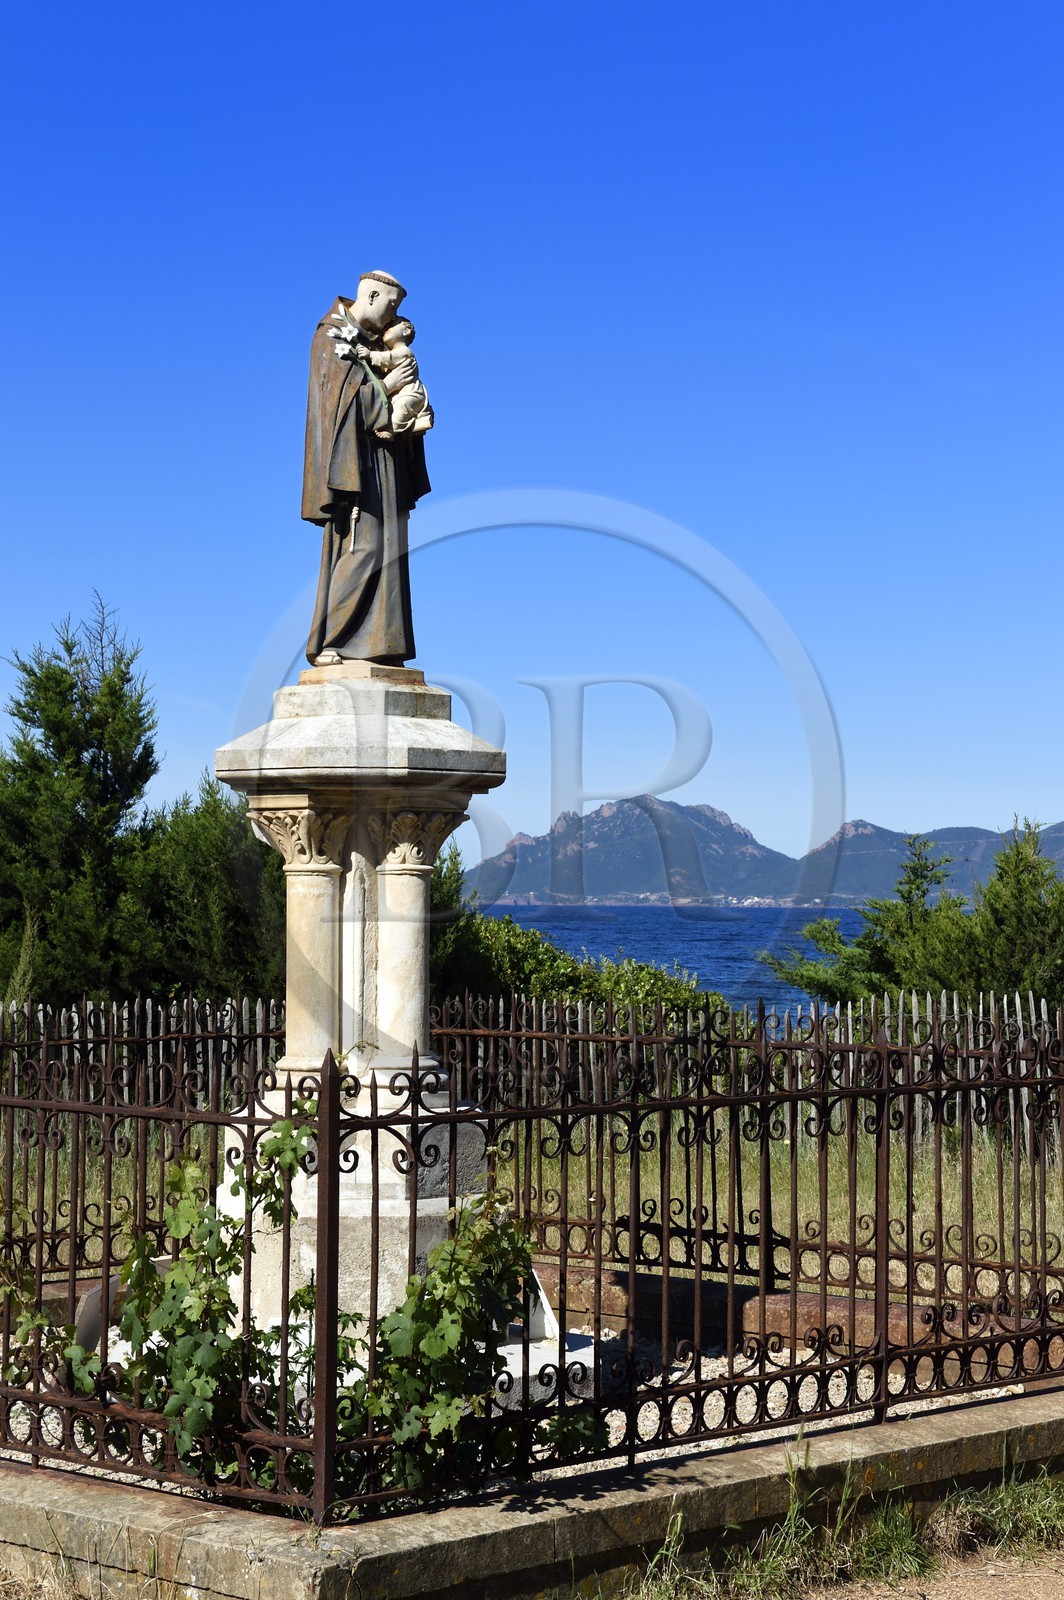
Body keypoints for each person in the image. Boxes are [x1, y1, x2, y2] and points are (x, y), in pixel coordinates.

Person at [302, 270, 431, 666]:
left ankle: (381, 646)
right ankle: (333, 640)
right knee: (364, 546)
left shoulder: (376, 343)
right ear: (372, 296)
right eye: (391, 306)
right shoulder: (331, 337)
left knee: (390, 550)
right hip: (356, 466)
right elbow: (343, 405)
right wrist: (390, 386)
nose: (394, 316)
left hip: (386, 462)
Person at [358, 318, 434, 438]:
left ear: (406, 331)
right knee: (395, 407)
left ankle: (392, 429)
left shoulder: (405, 351)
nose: (385, 330)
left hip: (412, 393)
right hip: (400, 393)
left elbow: (390, 358)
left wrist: (370, 355)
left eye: (391, 325)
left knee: (401, 407)